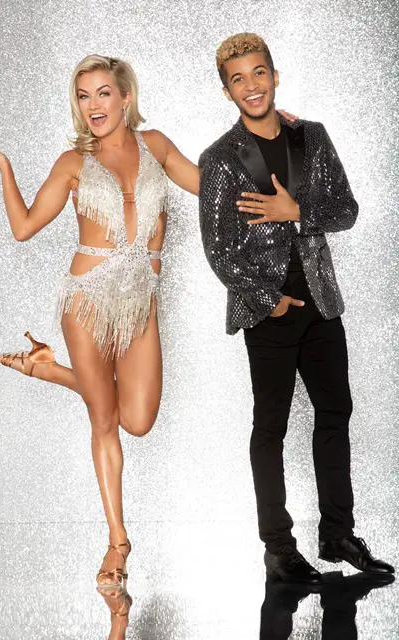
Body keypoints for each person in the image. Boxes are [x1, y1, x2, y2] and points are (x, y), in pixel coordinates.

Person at [0, 55, 298, 616]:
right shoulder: (73, 162)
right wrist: (3, 166)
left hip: (140, 303)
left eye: (103, 93)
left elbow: (214, 185)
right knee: (104, 421)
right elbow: (23, 227)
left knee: (137, 420)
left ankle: (49, 369)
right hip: (86, 302)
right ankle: (117, 541)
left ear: (125, 97)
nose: (94, 105)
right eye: (83, 95)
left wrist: (263, 134)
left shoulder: (155, 146)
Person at [198, 33, 395, 584]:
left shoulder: (313, 137)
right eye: (238, 78)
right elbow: (218, 250)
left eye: (259, 72)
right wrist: (269, 301)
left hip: (322, 303)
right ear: (227, 91)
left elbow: (346, 210)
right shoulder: (219, 158)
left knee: (336, 414)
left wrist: (297, 211)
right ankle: (279, 547)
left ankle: (338, 534)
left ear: (275, 75)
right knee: (271, 428)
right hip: (269, 313)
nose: (251, 85)